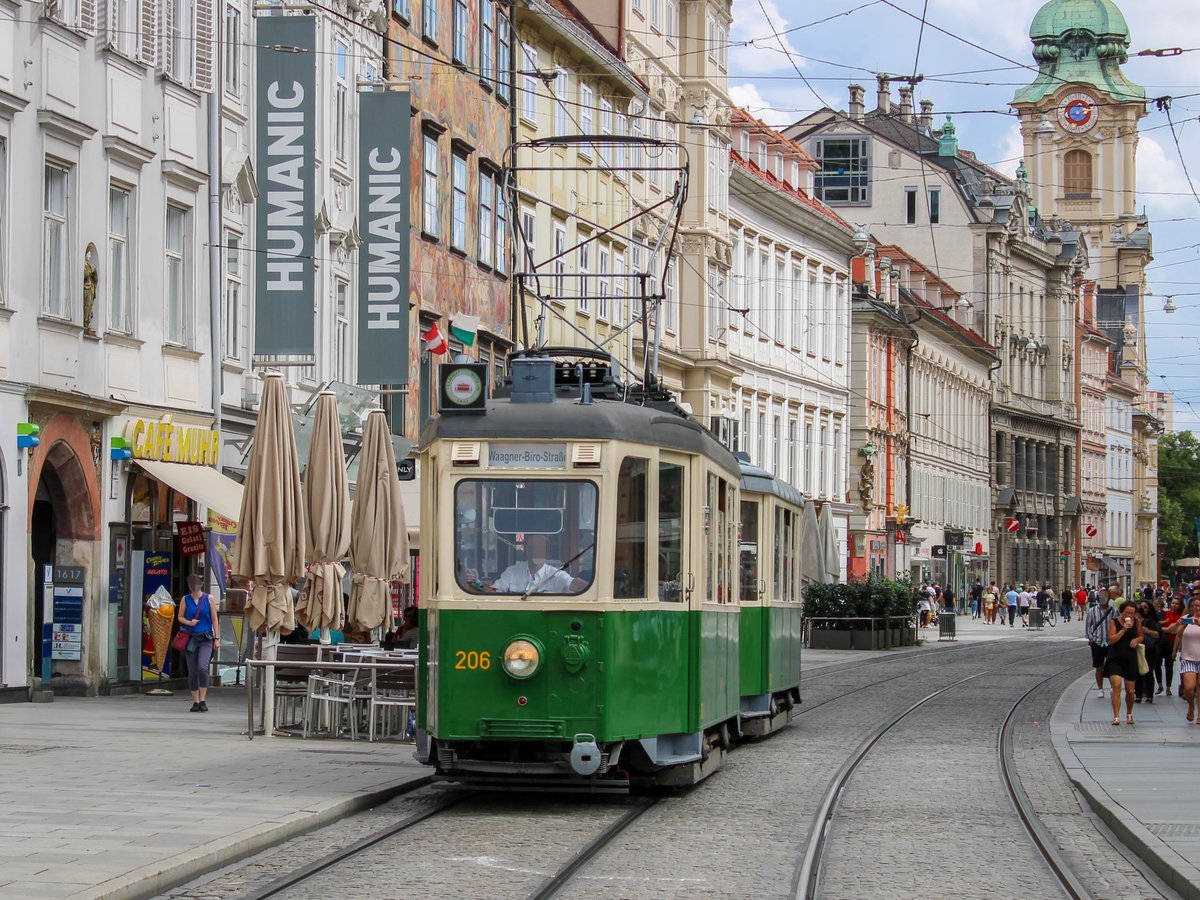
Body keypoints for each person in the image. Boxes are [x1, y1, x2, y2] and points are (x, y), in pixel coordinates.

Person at [488, 533, 586, 594]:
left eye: (540, 548)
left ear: (547, 552)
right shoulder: (511, 572)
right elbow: (493, 591)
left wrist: (594, 588)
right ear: (526, 551)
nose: (536, 551)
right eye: (532, 548)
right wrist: (475, 584)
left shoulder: (556, 574)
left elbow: (573, 583)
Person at [176, 574, 219, 712]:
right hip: (191, 638)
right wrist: (189, 622)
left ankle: (203, 700)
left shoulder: (209, 598)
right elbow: (180, 617)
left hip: (206, 637)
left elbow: (214, 619)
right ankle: (195, 701)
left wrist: (217, 638)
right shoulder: (185, 599)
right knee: (193, 671)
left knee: (202, 667)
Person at [1104, 600, 1143, 725]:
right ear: (1122, 611)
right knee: (1116, 685)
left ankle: (1129, 713)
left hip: (1130, 658)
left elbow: (1141, 636)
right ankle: (1116, 716)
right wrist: (1123, 630)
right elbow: (1111, 640)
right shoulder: (1114, 622)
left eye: (1132, 613)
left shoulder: (1137, 622)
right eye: (1127, 612)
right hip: (1115, 657)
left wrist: (1136, 640)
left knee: (1130, 691)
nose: (1129, 615)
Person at [1165, 596, 1200, 721]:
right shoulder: (1186, 619)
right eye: (1194, 606)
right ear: (1190, 607)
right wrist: (1179, 624)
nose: (1197, 608)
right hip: (1188, 658)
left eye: (1199, 606)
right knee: (1189, 688)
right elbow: (1174, 631)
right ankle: (1191, 705)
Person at [1084, 590, 1115, 699]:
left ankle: (1112, 687)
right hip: (1097, 641)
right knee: (1098, 667)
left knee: (1111, 666)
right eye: (1101, 595)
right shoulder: (1092, 611)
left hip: (1110, 642)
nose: (1103, 598)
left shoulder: (1113, 611)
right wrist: (1090, 638)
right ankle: (1100, 689)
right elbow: (1088, 625)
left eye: (1105, 596)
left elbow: (1117, 624)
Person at [1135, 599, 1163, 704]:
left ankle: (1149, 696)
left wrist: (1146, 630)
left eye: (1145, 607)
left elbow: (1157, 634)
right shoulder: (1132, 621)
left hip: (1149, 650)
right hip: (1137, 649)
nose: (1142, 609)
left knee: (1148, 672)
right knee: (1137, 672)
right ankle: (1138, 695)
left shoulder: (1149, 621)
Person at [1161, 596, 1184, 696]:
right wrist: (1167, 629)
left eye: (1176, 604)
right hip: (1161, 642)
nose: (1174, 605)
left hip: (1172, 642)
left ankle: (1168, 687)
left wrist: (1169, 629)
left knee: (1168, 665)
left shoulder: (1181, 617)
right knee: (1157, 664)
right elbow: (1158, 627)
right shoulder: (1165, 614)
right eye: (1173, 603)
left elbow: (1175, 631)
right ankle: (1159, 684)